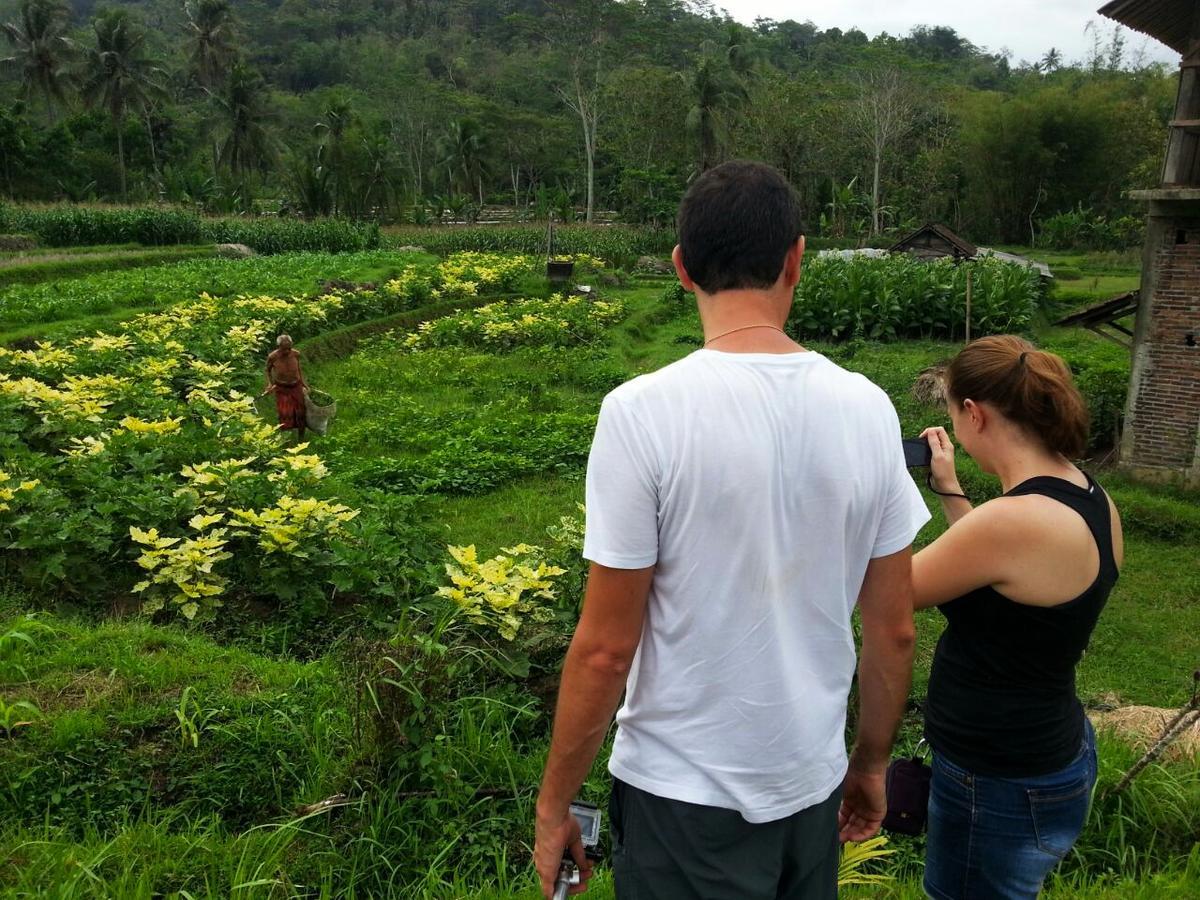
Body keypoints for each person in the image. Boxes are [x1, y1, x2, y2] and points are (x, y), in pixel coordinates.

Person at [533, 160, 929, 900]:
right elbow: (894, 629)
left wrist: (556, 804)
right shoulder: (868, 407)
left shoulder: (643, 412)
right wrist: (870, 764)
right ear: (797, 260)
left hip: (680, 797)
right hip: (808, 789)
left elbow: (604, 649)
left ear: (682, 269)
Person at [913, 335, 1123, 900]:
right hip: (1051, 751)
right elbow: (1002, 572)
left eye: (954, 414)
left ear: (974, 414)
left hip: (996, 777)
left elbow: (890, 591)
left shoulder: (1011, 522)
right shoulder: (1089, 495)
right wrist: (951, 490)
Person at [263, 334, 309, 440]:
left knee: (301, 412)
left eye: (289, 348)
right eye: (284, 349)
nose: (287, 351)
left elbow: (298, 370)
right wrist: (270, 384)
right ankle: (285, 439)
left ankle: (301, 438)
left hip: (296, 386)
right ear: (279, 347)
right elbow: (267, 370)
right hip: (282, 388)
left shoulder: (296, 354)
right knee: (284, 413)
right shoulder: (273, 356)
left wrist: (304, 384)